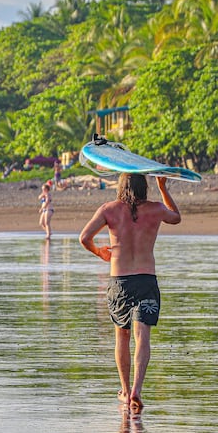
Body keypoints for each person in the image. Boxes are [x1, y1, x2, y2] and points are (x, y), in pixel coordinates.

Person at [79, 173, 181, 413]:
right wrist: (163, 188)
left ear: (121, 186)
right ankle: (137, 389)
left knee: (122, 337)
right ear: (144, 186)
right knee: (142, 336)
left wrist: (99, 252)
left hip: (120, 282)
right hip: (146, 280)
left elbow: (84, 237)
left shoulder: (108, 209)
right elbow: (176, 217)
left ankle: (125, 391)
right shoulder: (156, 209)